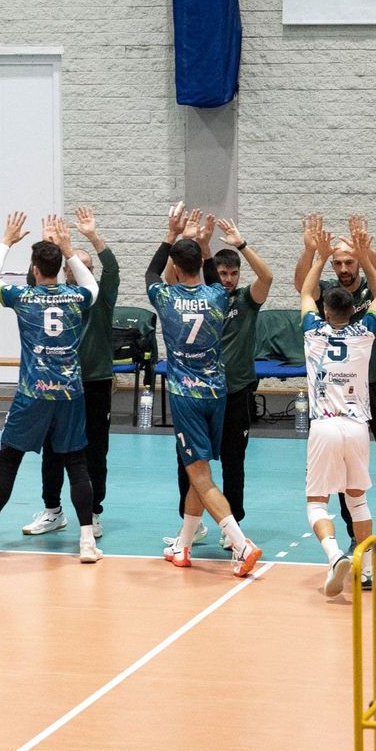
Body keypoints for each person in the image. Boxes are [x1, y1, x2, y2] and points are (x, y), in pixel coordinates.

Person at [0, 213, 102, 562]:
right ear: (58, 268)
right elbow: (93, 288)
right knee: (77, 465)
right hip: (70, 393)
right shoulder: (76, 297)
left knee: (8, 463)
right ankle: (87, 544)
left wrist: (6, 240)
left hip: (33, 394)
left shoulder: (23, 296)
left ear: (35, 269)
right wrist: (69, 249)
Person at [148, 204, 263, 577]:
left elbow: (152, 272)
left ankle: (240, 542)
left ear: (177, 269)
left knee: (199, 474)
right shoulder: (218, 296)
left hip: (186, 393)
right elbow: (213, 276)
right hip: (217, 390)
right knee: (201, 467)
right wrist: (205, 244)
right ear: (202, 264)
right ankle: (183, 545)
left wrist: (171, 232)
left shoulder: (165, 298)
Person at [294, 213, 376, 532]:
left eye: (349, 262)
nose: (343, 269)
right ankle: (355, 536)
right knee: (348, 471)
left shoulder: (372, 287)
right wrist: (312, 253)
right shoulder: (331, 294)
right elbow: (301, 287)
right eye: (338, 263)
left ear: (357, 263)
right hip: (344, 399)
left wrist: (365, 252)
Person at [168, 216, 272, 545]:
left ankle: (234, 527)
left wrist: (240, 244)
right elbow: (170, 278)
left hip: (236, 392)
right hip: (197, 392)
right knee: (190, 461)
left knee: (233, 461)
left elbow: (267, 277)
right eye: (223, 273)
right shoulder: (200, 298)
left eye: (233, 273)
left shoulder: (245, 301)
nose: (227, 279)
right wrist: (195, 244)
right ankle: (192, 526)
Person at [300, 223, 376, 596]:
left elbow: (305, 290)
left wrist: (320, 256)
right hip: (356, 426)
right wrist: (365, 256)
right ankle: (366, 570)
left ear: (325, 309)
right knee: (359, 499)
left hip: (323, 425)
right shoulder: (365, 332)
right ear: (354, 311)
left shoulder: (312, 333)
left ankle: (336, 555)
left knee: (317, 502)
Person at [24, 206, 117, 539]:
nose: (81, 273)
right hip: (58, 385)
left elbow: (114, 269)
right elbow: (30, 281)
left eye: (87, 268)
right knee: (52, 447)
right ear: (63, 270)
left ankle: (92, 513)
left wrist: (91, 236)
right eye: (74, 267)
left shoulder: (99, 299)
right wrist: (47, 246)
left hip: (93, 384)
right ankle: (53, 510)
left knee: (94, 450)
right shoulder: (52, 297)